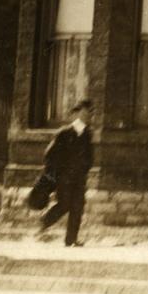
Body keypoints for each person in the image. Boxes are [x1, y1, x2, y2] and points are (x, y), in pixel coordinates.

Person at [40, 99, 94, 246]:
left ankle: (71, 240)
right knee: (64, 204)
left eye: (91, 112)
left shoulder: (87, 134)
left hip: (79, 178)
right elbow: (49, 155)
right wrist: (56, 173)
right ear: (78, 113)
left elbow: (90, 156)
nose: (90, 115)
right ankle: (44, 221)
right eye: (87, 111)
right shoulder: (64, 133)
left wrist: (85, 169)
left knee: (78, 206)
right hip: (64, 178)